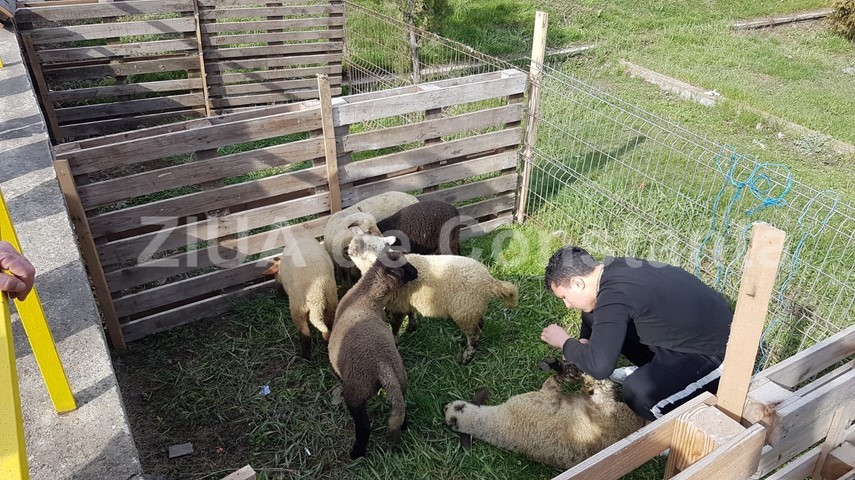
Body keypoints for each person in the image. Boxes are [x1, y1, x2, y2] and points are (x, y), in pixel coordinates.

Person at [540, 245, 732, 421]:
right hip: (691, 336)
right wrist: (584, 339)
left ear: (577, 283)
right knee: (593, 313)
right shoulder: (612, 269)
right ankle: (656, 370)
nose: (567, 304)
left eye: (564, 297)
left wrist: (565, 342)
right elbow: (596, 318)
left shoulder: (615, 297)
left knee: (639, 392)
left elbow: (600, 368)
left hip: (722, 356)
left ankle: (669, 426)